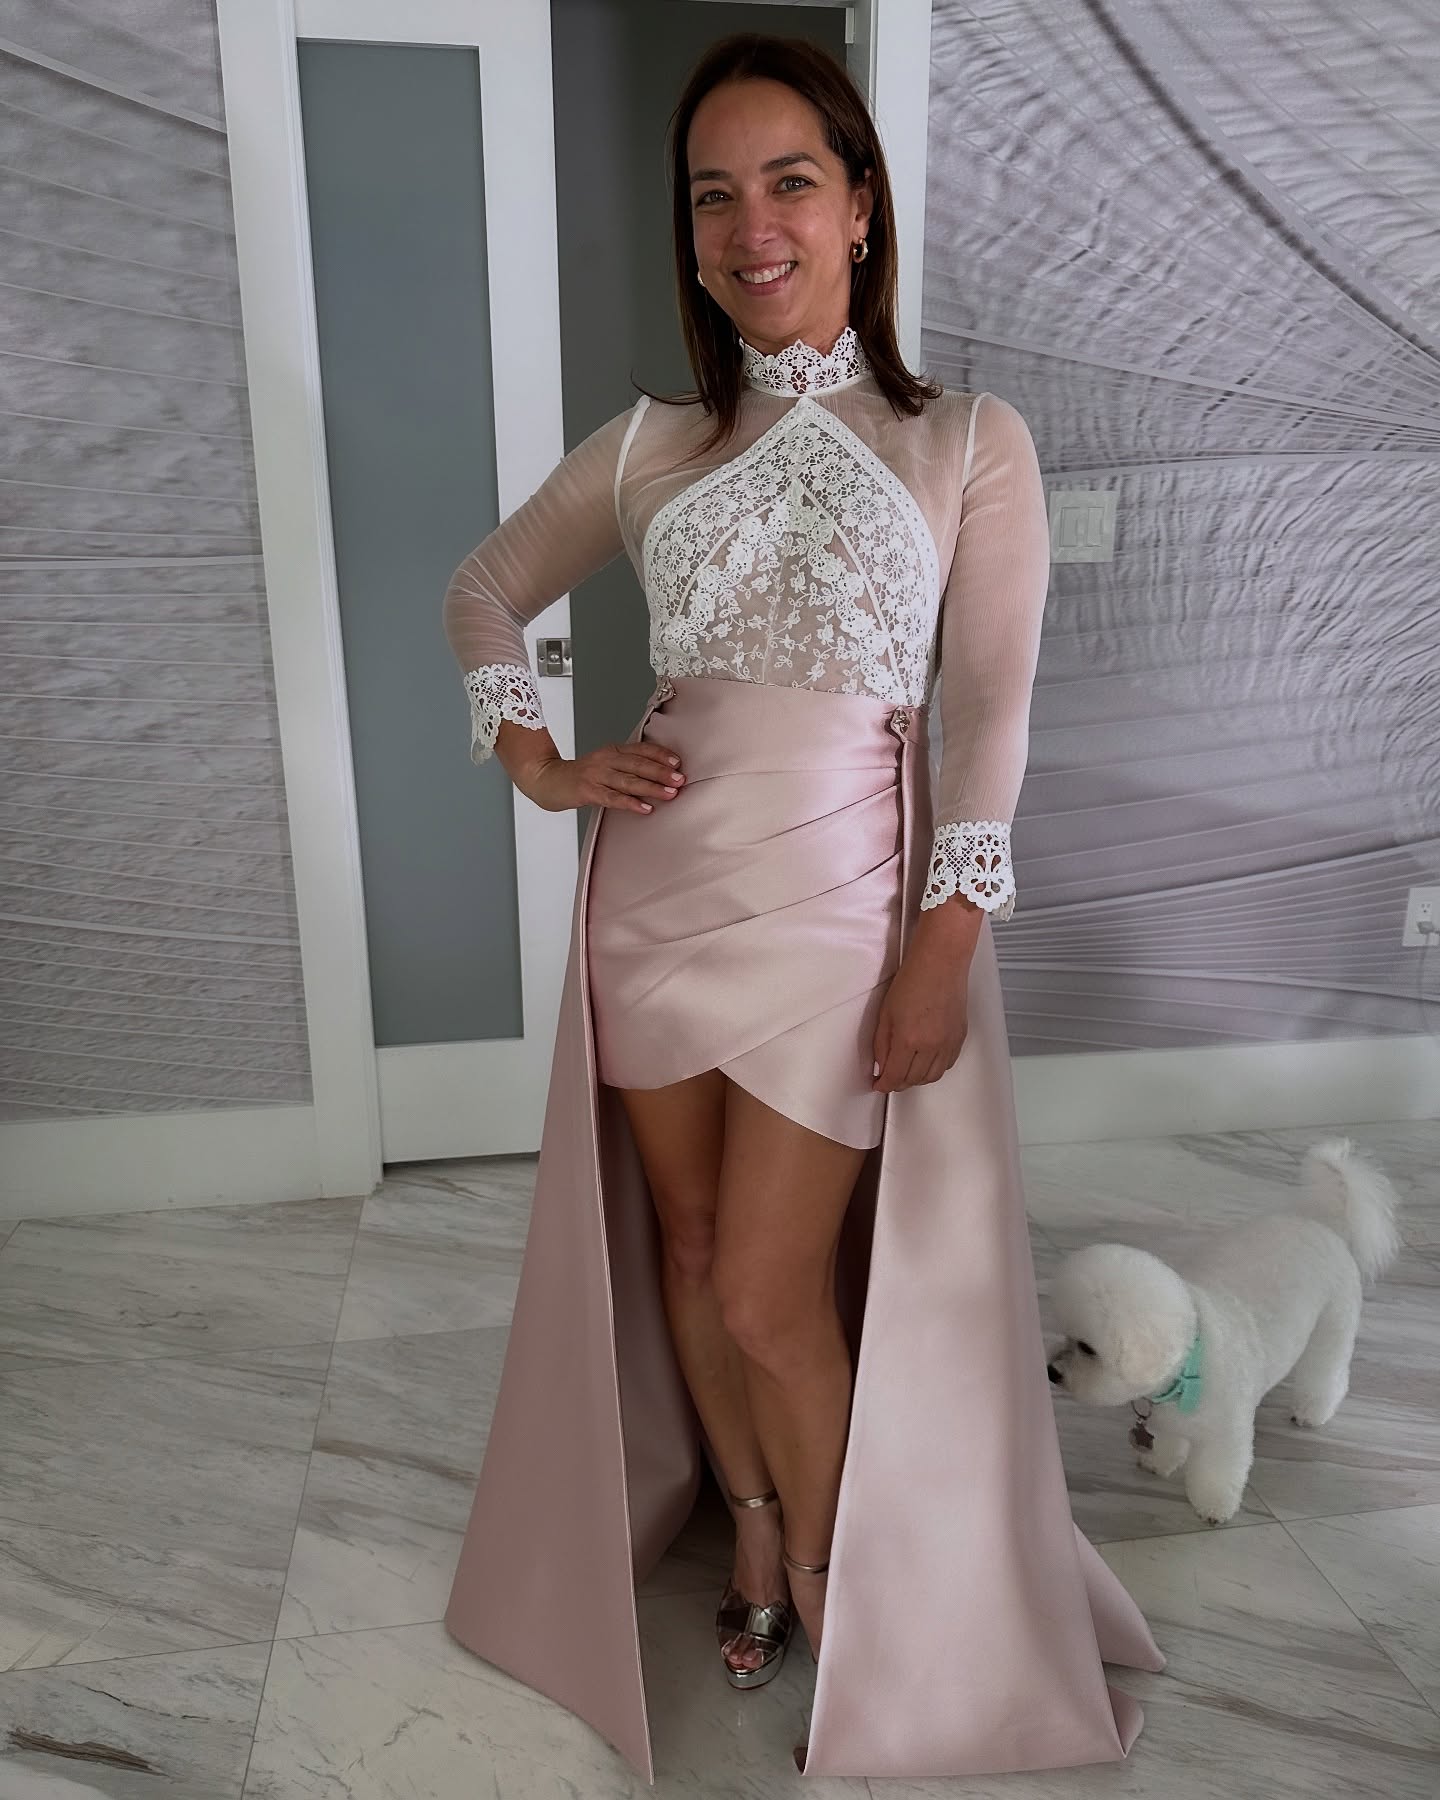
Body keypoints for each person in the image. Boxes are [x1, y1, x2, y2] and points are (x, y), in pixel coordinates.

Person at [440, 30, 1164, 1784]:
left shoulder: (966, 439)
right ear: (690, 236)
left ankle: (854, 1598)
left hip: (844, 911)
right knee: (693, 1255)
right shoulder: (650, 441)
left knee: (775, 1290)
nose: (749, 225)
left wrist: (947, 938)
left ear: (858, 208)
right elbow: (484, 589)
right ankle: (754, 1536)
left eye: (787, 183)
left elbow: (990, 710)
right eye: (714, 196)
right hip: (656, 898)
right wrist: (541, 766)